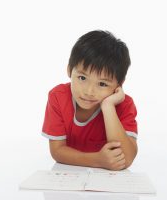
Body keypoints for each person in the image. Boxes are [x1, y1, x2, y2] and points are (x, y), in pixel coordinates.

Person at [42, 30, 138, 170]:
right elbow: (57, 151)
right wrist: (97, 160)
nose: (89, 92)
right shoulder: (58, 96)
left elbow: (126, 158)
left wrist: (108, 107)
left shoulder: (125, 104)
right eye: (82, 78)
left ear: (119, 84)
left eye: (102, 84)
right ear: (69, 70)